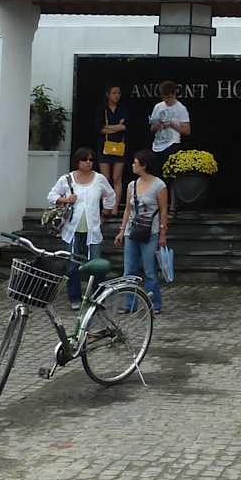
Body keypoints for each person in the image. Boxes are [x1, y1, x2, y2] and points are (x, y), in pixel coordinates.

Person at [45, 147, 117, 310]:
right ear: (77, 161)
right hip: (71, 229)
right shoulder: (67, 179)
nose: (88, 163)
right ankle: (75, 297)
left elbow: (110, 195)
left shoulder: (99, 179)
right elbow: (51, 196)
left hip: (93, 229)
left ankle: (98, 297)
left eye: (91, 160)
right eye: (85, 160)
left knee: (97, 264)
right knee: (72, 265)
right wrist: (66, 200)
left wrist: (106, 212)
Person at [116, 148, 169, 314]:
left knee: (149, 270)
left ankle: (154, 304)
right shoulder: (132, 185)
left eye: (135, 163)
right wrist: (121, 230)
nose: (132, 165)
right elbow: (127, 209)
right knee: (129, 269)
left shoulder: (159, 185)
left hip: (150, 231)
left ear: (144, 165)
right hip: (132, 230)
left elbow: (163, 210)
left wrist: (162, 233)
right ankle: (130, 304)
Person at [148, 80, 191, 180]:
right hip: (157, 146)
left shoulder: (181, 108)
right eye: (163, 97)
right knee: (156, 177)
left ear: (174, 94)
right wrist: (159, 124)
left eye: (168, 97)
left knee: (169, 178)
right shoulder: (158, 107)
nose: (166, 100)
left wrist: (172, 124)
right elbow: (152, 129)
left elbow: (187, 131)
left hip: (172, 145)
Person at [96, 83, 128, 214]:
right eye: (114, 93)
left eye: (118, 93)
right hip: (104, 146)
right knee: (105, 178)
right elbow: (100, 128)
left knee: (117, 178)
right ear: (108, 94)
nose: (117, 96)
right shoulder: (101, 109)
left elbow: (125, 127)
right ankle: (106, 207)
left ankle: (115, 208)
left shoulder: (123, 109)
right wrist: (117, 127)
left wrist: (109, 127)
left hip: (119, 146)